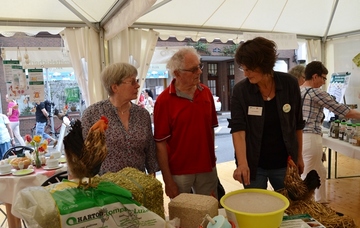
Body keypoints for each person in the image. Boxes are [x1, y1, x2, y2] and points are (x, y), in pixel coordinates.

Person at [228, 37, 305, 191]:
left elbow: (297, 123)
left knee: (290, 207)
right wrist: (242, 163)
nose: (245, 73)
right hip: (254, 165)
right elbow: (238, 129)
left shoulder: (289, 83)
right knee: (256, 209)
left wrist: (299, 156)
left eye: (249, 68)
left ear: (263, 64)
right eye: (243, 68)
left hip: (285, 163)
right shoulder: (241, 91)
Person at [153, 47, 219, 199]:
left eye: (199, 67)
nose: (199, 72)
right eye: (193, 69)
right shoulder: (164, 101)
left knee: (209, 213)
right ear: (177, 73)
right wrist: (167, 180)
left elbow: (210, 129)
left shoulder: (206, 93)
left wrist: (212, 158)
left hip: (207, 168)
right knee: (182, 215)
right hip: (179, 171)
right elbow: (160, 144)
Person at [81, 62, 159, 176]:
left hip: (138, 185)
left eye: (136, 81)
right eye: (132, 82)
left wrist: (152, 178)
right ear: (115, 87)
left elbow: (150, 151)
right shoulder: (92, 114)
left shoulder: (142, 114)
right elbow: (84, 154)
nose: (137, 85)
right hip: (107, 186)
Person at [300, 61, 360, 203]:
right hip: (310, 137)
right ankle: (303, 206)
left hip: (299, 136)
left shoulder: (298, 90)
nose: (324, 82)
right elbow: (342, 110)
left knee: (320, 171)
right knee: (307, 174)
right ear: (315, 76)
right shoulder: (316, 92)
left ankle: (321, 202)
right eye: (323, 78)